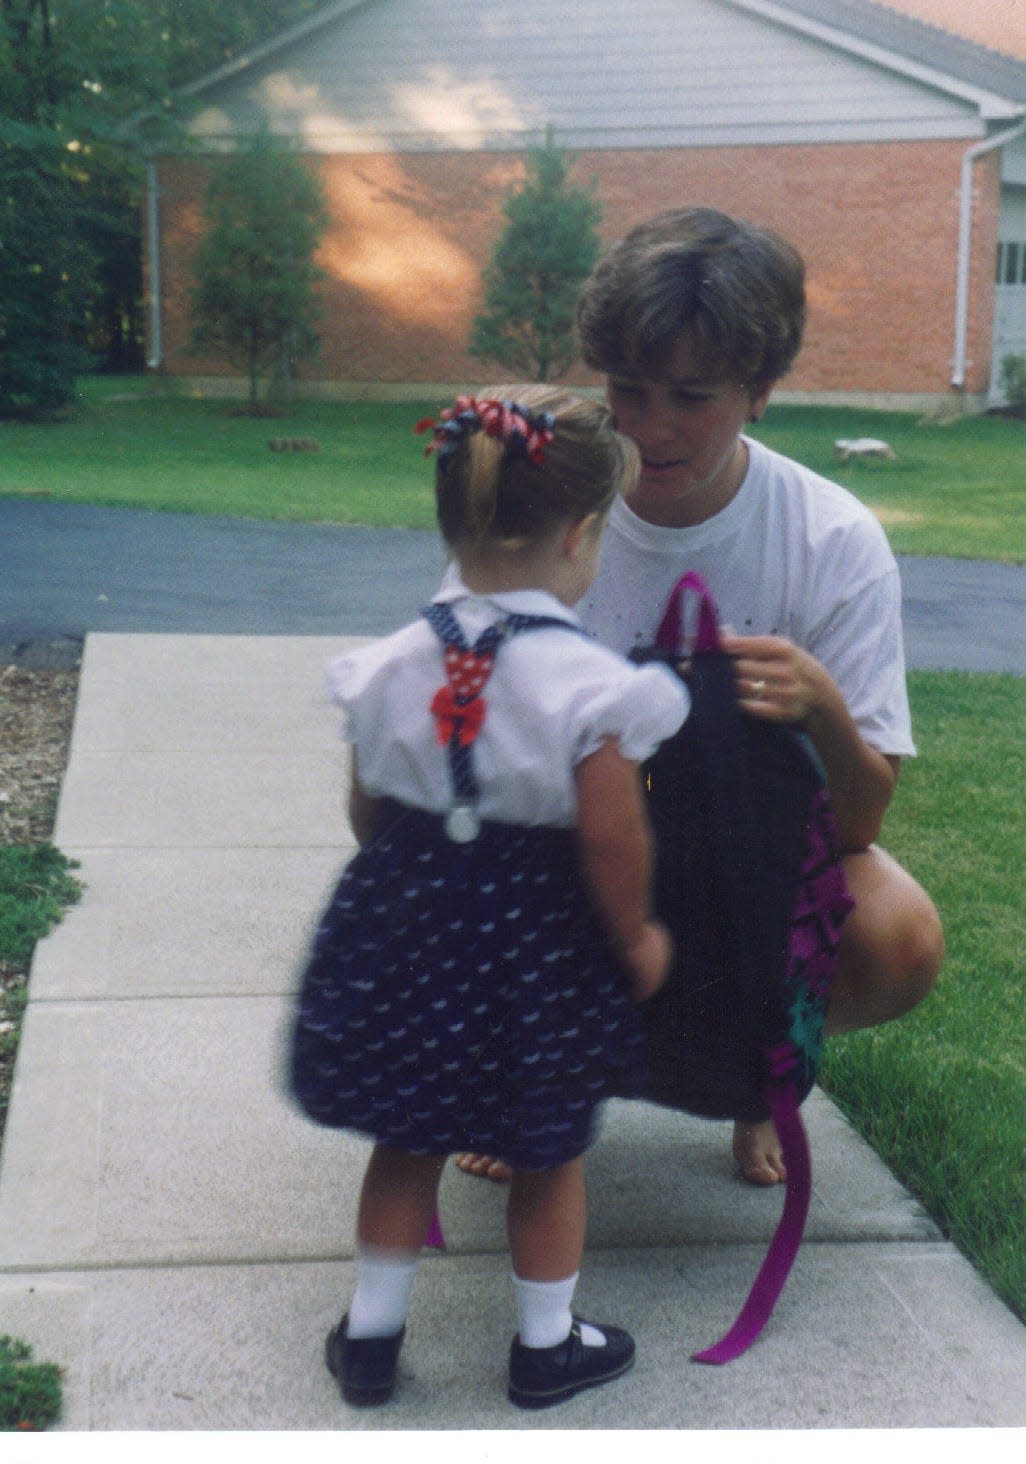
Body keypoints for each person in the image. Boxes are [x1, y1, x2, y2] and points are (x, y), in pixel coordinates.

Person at [456, 206, 945, 1191]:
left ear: (761, 390)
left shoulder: (830, 540)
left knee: (899, 935)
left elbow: (857, 822)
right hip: (575, 847)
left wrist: (820, 708)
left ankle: (757, 1072)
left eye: (692, 395)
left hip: (742, 865)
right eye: (626, 388)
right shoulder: (545, 511)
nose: (650, 426)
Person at [289, 387, 689, 1409]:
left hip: (410, 923)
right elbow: (610, 832)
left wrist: (410, 882)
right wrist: (636, 932)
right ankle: (544, 1346)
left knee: (407, 1134)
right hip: (538, 945)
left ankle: (372, 1339)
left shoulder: (385, 666)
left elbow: (366, 806)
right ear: (584, 532)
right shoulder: (586, 683)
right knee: (548, 1152)